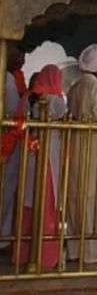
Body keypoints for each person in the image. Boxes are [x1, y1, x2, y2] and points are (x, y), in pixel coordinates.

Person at [66, 44, 97, 263]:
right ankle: (91, 253)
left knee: (76, 196)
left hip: (77, 147)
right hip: (93, 147)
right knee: (91, 196)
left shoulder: (75, 87)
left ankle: (76, 249)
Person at [13, 65, 66, 269]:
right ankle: (45, 257)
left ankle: (24, 254)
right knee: (46, 206)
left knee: (28, 204)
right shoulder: (56, 101)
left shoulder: (27, 98)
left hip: (29, 154)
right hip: (48, 156)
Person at [0, 45, 24, 251]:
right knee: (5, 190)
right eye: (17, 55)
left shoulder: (12, 78)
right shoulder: (6, 79)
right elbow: (13, 112)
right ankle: (4, 238)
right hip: (6, 142)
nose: (21, 60)